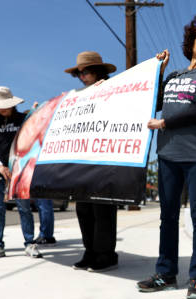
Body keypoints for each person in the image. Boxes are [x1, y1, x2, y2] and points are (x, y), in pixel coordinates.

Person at [136, 13, 196, 299]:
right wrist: (160, 70)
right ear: (192, 41)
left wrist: (164, 124)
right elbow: (154, 100)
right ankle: (166, 273)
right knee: (168, 216)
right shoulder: (175, 76)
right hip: (167, 155)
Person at [64, 51, 118, 272]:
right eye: (79, 73)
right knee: (84, 208)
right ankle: (90, 251)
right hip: (82, 158)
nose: (82, 77)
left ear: (97, 71)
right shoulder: (78, 96)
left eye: (85, 72)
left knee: (102, 208)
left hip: (104, 157)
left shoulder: (115, 91)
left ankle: (106, 254)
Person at [0, 86, 42, 260]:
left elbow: (33, 136)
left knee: (24, 208)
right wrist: (1, 166)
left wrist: (35, 113)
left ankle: (30, 243)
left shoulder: (23, 118)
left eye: (6, 105)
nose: (3, 109)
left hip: (20, 170)